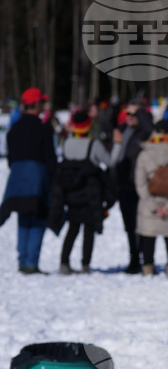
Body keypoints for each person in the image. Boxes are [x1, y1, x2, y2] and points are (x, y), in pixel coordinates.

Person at [49, 110, 121, 274]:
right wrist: (117, 144)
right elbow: (109, 162)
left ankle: (64, 263)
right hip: (90, 194)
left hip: (71, 193)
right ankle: (85, 265)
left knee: (72, 229)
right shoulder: (93, 145)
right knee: (89, 230)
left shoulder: (65, 143)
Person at [1, 87, 57, 274]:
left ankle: (23, 260)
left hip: (17, 180)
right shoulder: (43, 128)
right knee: (38, 218)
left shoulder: (14, 129)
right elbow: (50, 159)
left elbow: (10, 159)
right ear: (37, 105)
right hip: (37, 179)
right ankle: (31, 262)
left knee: (23, 218)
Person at [134, 119, 168, 278]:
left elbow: (140, 184)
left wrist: (153, 206)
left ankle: (148, 269)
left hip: (149, 204)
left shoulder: (145, 154)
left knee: (148, 237)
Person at [117, 100, 154, 272]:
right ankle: (134, 260)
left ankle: (146, 260)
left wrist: (140, 112)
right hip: (123, 184)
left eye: (134, 114)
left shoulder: (144, 133)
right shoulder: (123, 130)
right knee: (129, 226)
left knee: (144, 225)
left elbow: (150, 127)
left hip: (139, 185)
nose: (130, 117)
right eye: (128, 114)